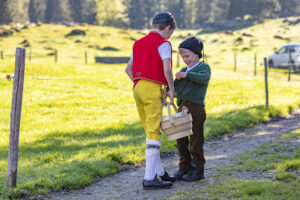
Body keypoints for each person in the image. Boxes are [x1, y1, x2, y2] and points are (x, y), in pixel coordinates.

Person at [125, 12, 177, 190]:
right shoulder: (163, 44)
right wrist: (171, 88)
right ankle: (149, 178)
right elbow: (167, 68)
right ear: (167, 27)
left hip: (137, 87)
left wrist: (140, 82)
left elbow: (128, 69)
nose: (169, 36)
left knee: (149, 130)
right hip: (153, 88)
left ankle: (159, 172)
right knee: (154, 132)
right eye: (170, 32)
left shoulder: (138, 43)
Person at [173, 37, 211, 182]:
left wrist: (186, 75)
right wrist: (169, 90)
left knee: (195, 140)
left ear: (196, 53)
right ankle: (184, 167)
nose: (185, 60)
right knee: (181, 140)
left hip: (196, 109)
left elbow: (203, 78)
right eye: (183, 57)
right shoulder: (183, 69)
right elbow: (176, 89)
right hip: (182, 108)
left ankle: (198, 169)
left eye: (187, 56)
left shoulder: (203, 68)